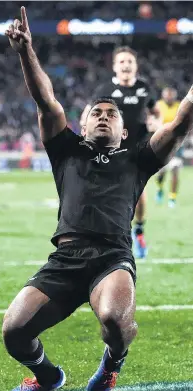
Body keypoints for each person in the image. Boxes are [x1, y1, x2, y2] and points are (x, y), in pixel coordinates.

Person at [3, 7, 193, 391]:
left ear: (125, 131)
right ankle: (47, 377)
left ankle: (111, 365)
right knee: (14, 331)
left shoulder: (138, 157)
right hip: (65, 259)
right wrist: (25, 52)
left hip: (111, 256)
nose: (104, 117)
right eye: (96, 114)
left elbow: (179, 125)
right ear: (83, 124)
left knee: (114, 318)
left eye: (112, 114)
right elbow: (45, 101)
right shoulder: (65, 149)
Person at [80, 47, 160, 259]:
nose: (126, 65)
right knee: (106, 196)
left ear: (135, 66)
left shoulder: (145, 88)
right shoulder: (105, 89)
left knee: (139, 196)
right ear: (115, 66)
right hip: (111, 150)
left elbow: (155, 112)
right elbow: (85, 117)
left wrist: (155, 122)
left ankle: (139, 232)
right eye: (122, 62)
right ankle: (107, 237)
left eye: (129, 62)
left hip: (137, 150)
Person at [154, 88, 182, 208]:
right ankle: (160, 189)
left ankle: (172, 197)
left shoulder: (180, 106)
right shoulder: (157, 106)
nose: (169, 97)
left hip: (177, 143)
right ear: (163, 96)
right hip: (161, 144)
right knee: (161, 172)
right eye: (167, 95)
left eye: (171, 96)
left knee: (175, 169)